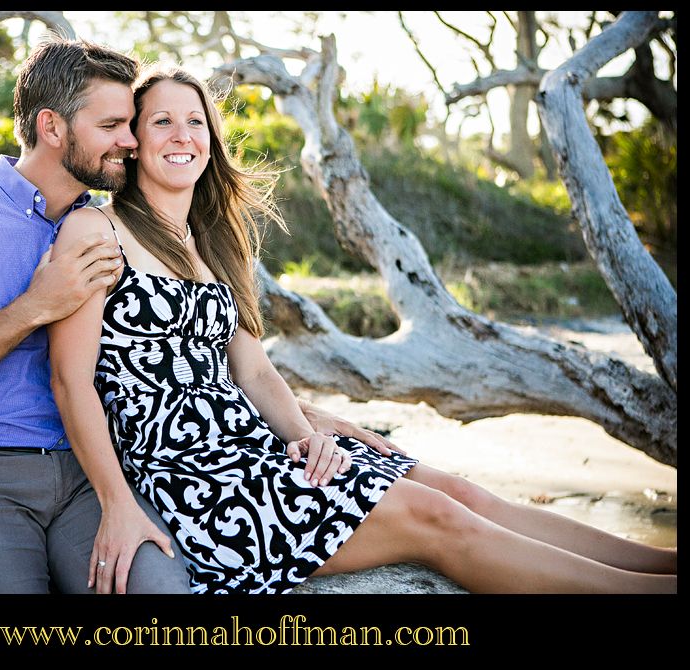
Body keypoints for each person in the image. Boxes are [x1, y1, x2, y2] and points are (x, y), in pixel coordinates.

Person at [48, 65, 677, 594]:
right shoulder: (99, 232)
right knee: (433, 517)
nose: (182, 135)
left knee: (458, 489)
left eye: (195, 121)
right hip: (198, 484)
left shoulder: (212, 243)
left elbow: (253, 370)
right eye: (162, 121)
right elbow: (70, 380)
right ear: (133, 140)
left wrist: (305, 434)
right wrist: (115, 503)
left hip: (256, 448)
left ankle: (662, 566)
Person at [0, 35, 393, 595]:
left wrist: (303, 416)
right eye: (113, 126)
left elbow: (169, 365)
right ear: (52, 127)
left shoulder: (104, 225)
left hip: (91, 477)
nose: (130, 139)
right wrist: (33, 308)